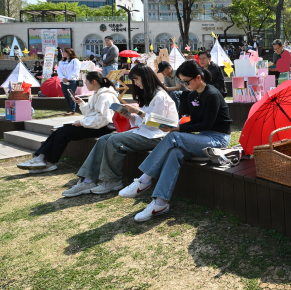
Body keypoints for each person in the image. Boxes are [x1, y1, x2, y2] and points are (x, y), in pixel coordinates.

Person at [119, 60, 232, 222]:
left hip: (218, 138)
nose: (184, 84)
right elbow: (192, 122)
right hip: (202, 137)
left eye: (186, 81)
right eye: (182, 81)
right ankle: (160, 202)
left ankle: (144, 179)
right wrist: (175, 125)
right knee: (175, 151)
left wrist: (177, 129)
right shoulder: (192, 95)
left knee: (173, 136)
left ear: (198, 78)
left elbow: (208, 123)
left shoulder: (213, 94)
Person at [62, 64, 178, 197]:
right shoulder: (151, 94)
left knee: (113, 140)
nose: (136, 83)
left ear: (145, 77)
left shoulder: (160, 96)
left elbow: (159, 124)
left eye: (136, 80)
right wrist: (129, 115)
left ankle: (112, 180)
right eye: (134, 81)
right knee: (104, 140)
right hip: (147, 133)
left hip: (159, 136)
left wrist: (138, 112)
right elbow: (144, 121)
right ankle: (87, 180)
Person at [17, 72, 120, 174]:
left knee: (63, 132)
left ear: (93, 82)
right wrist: (82, 104)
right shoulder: (97, 95)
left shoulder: (105, 96)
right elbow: (90, 113)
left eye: (86, 82)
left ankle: (47, 161)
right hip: (95, 125)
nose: (85, 84)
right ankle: (41, 158)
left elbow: (104, 118)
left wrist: (82, 123)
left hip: (103, 127)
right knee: (61, 131)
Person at [58, 48, 82, 116]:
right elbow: (59, 71)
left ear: (69, 52)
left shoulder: (75, 61)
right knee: (66, 95)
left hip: (72, 80)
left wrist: (68, 78)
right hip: (63, 80)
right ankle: (70, 108)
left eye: (65, 52)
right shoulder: (61, 61)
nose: (63, 53)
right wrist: (63, 78)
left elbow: (76, 71)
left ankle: (72, 109)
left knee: (71, 94)